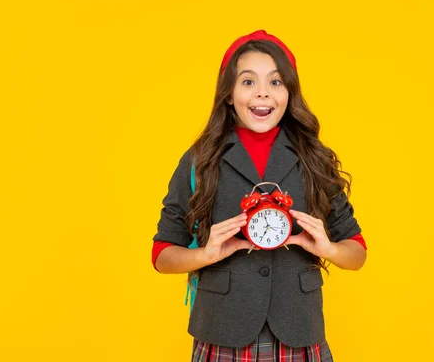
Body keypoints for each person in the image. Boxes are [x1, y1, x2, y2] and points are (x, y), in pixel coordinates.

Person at [152, 29, 368, 361]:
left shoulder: (315, 158)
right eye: (248, 82)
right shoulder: (199, 160)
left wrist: (328, 248)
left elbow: (357, 253)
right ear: (228, 93)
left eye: (276, 82)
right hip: (222, 329)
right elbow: (162, 254)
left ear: (290, 92)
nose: (263, 94)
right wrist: (206, 254)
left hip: (299, 330)